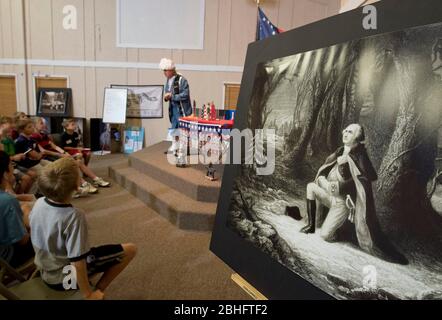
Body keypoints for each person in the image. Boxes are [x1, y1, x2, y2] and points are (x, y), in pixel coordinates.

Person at [297, 123, 407, 264]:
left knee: (324, 235)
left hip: (343, 203)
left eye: (350, 132)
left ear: (357, 137)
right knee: (311, 187)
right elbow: (324, 169)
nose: (345, 133)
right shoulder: (340, 151)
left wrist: (331, 182)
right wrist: (322, 179)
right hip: (330, 196)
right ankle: (311, 225)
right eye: (346, 131)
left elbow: (365, 178)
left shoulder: (359, 155)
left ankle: (337, 232)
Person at [29, 157, 137, 300]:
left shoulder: (39, 202)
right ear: (77, 186)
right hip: (64, 278)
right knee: (130, 249)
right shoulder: (73, 216)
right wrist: (88, 294)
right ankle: (97, 290)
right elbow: (77, 261)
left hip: (46, 270)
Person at [0, 151, 34, 268]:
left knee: (24, 209)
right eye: (11, 165)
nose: (13, 168)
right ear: (5, 173)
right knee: (46, 230)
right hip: (7, 258)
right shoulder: (7, 200)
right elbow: (23, 241)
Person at [60, 118, 110, 188]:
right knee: (79, 156)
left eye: (74, 124)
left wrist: (80, 147)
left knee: (88, 154)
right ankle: (82, 173)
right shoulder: (63, 136)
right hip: (69, 151)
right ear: (67, 127)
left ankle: (84, 169)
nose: (75, 126)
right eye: (72, 125)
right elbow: (64, 147)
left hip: (77, 149)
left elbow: (78, 143)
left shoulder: (75, 134)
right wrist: (77, 149)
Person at [159, 58, 192, 154]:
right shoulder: (168, 80)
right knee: (174, 127)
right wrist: (166, 97)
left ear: (171, 70)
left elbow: (185, 95)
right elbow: (167, 92)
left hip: (182, 109)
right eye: (163, 70)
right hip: (173, 108)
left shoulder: (182, 80)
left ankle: (182, 147)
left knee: (183, 128)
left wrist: (172, 96)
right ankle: (175, 145)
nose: (164, 73)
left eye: (166, 70)